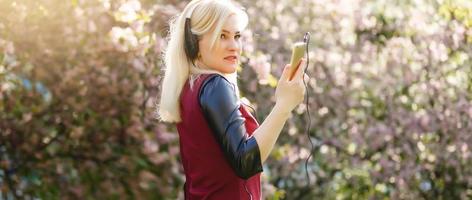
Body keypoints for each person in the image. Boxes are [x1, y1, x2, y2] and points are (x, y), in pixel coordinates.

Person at [158, 0, 308, 199]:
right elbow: (245, 161)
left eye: (237, 36)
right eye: (222, 36)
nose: (234, 46)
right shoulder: (215, 85)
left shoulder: (189, 86)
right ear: (194, 42)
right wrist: (284, 105)